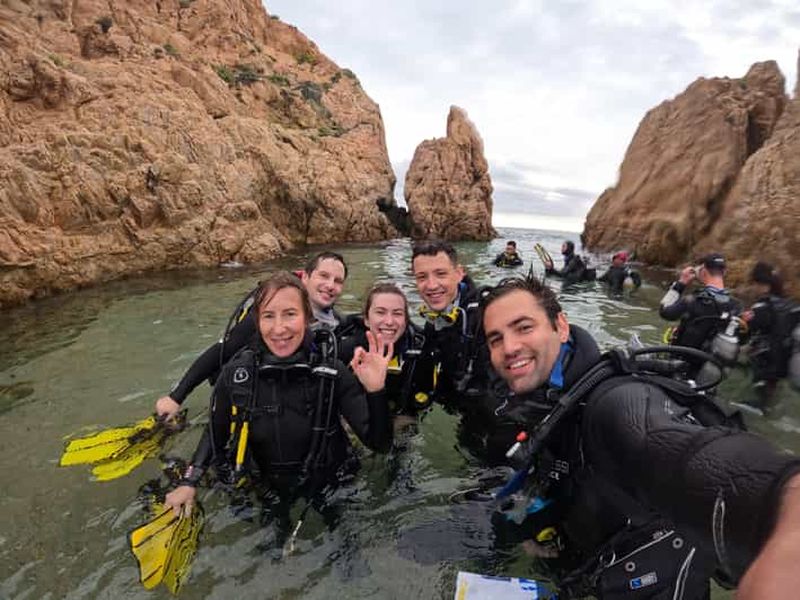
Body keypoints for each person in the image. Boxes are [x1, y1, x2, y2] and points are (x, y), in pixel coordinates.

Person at [481, 274, 800, 599]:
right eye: (495, 339)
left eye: (524, 327)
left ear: (561, 327)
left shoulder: (614, 406)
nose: (509, 348)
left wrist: (784, 509)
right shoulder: (559, 399)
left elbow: (701, 462)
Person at [163, 272, 392, 536]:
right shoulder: (238, 375)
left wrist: (376, 391)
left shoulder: (332, 373)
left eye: (290, 314)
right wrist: (189, 482)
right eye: (269, 316)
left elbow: (380, 443)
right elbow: (216, 432)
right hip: (265, 485)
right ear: (257, 322)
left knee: (342, 548)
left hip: (331, 484)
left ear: (308, 318)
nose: (279, 328)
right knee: (272, 541)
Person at [155, 251, 351, 418]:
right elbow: (222, 350)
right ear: (306, 277)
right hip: (244, 387)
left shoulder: (334, 321)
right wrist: (175, 398)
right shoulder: (266, 314)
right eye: (323, 276)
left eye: (338, 281)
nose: (331, 285)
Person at [411, 241, 492, 413]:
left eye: (441, 274)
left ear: (459, 273)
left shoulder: (486, 315)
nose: (431, 285)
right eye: (422, 277)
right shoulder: (434, 317)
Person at [339, 283, 435, 423]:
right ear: (366, 319)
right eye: (380, 312)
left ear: (406, 321)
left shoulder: (419, 354)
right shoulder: (346, 351)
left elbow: (420, 406)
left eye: (397, 313)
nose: (389, 321)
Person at [659, 253, 741, 378]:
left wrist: (681, 282)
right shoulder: (735, 306)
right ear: (724, 272)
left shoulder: (694, 300)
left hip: (680, 368)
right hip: (709, 373)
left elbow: (665, 311)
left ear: (703, 272)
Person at [741, 262, 794, 412]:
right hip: (782, 367)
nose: (753, 288)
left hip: (766, 366)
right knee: (770, 404)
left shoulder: (762, 308)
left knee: (756, 407)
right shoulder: (787, 305)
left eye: (754, 283)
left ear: (762, 284)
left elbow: (743, 333)